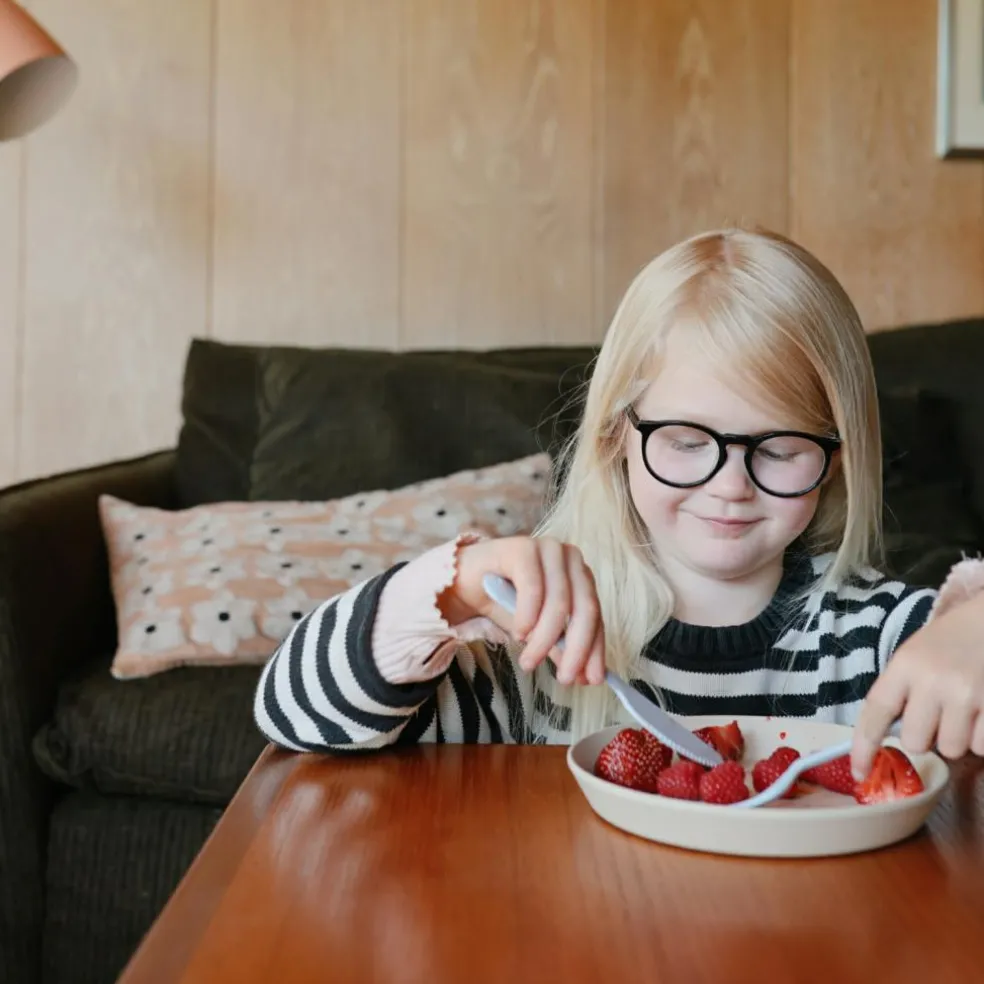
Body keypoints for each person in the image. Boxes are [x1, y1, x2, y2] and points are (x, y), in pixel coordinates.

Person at [253, 227, 984, 781]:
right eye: (687, 440)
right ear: (614, 439)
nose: (731, 484)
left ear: (835, 461)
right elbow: (291, 715)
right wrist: (451, 588)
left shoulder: (879, 643)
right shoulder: (533, 646)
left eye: (781, 448)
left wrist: (974, 628)